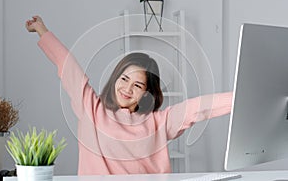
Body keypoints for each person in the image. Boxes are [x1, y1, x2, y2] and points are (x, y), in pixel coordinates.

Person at [26, 16, 233, 175]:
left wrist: (238, 99)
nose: (127, 89)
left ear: (146, 93)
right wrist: (42, 31)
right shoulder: (91, 109)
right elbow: (69, 66)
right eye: (124, 79)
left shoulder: (158, 123)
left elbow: (198, 108)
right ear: (115, 77)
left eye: (137, 85)